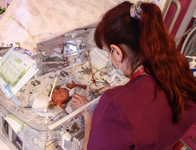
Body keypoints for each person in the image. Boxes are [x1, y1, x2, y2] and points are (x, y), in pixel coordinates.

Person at [71, 1, 196, 150]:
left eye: (107, 52)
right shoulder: (182, 72)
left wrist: (88, 115)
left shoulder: (115, 104)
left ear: (117, 52)